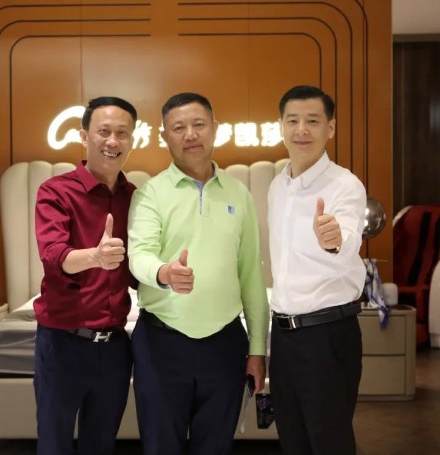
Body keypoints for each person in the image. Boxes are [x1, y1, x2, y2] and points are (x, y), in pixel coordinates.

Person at [127, 92, 269, 455]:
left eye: (198, 124)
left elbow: (251, 277)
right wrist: (164, 273)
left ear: (215, 128)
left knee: (216, 446)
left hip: (225, 342)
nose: (190, 134)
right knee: (160, 446)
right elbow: (138, 255)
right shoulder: (150, 193)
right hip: (161, 342)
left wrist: (257, 350)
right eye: (178, 128)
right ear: (164, 137)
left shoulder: (239, 193)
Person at [33, 96, 138, 455]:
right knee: (54, 444)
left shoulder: (135, 198)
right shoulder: (55, 191)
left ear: (132, 140)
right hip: (63, 342)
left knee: (102, 445)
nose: (113, 141)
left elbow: (139, 269)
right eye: (103, 131)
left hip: (115, 347)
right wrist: (95, 256)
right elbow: (53, 256)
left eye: (122, 133)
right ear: (83, 135)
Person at [267, 85, 367, 455]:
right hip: (284, 336)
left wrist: (334, 239)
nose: (301, 130)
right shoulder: (278, 185)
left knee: (329, 442)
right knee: (292, 438)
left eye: (312, 120)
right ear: (281, 126)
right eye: (292, 120)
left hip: (327, 334)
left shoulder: (344, 184)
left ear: (331, 128)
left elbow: (348, 240)